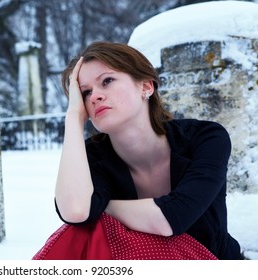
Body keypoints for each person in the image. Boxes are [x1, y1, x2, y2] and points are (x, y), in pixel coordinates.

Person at [32, 41, 242, 260]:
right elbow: (76, 212)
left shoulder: (205, 137)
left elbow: (173, 217)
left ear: (146, 87)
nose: (95, 96)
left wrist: (103, 209)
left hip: (207, 262)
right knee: (77, 233)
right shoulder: (93, 156)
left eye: (107, 80)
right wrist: (74, 118)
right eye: (85, 93)